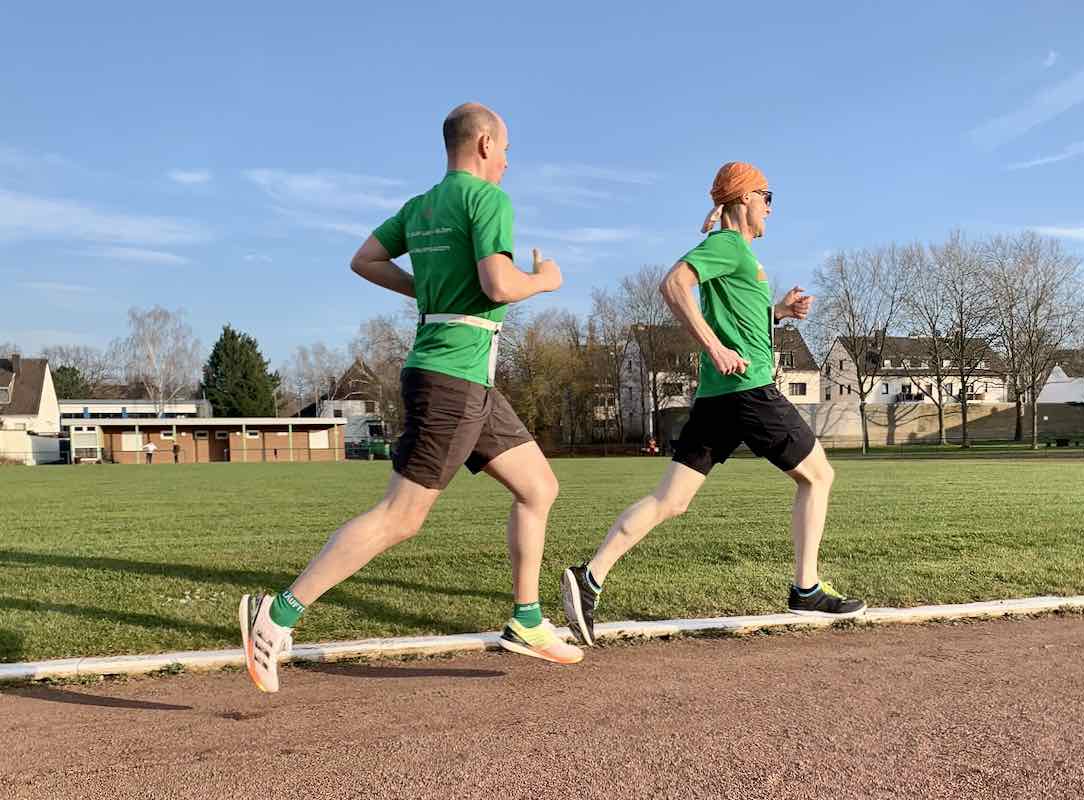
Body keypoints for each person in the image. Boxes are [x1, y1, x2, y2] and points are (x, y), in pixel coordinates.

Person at [239, 102, 582, 694]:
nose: (507, 161)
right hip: (451, 379)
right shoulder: (488, 200)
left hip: (467, 376)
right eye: (504, 149)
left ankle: (526, 619)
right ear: (481, 144)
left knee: (539, 487)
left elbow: (364, 259)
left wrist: (421, 284)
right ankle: (277, 616)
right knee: (402, 516)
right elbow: (500, 284)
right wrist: (548, 280)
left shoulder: (421, 207)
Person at [561, 162, 865, 647]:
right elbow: (673, 284)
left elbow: (736, 314)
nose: (770, 207)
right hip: (749, 391)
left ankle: (588, 578)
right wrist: (714, 348)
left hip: (718, 397)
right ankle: (806, 587)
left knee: (671, 501)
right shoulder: (726, 245)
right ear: (745, 198)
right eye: (767, 196)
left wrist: (779, 312)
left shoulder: (734, 251)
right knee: (819, 475)